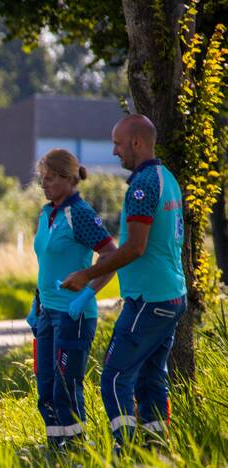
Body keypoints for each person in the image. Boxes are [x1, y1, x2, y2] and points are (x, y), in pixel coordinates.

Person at [61, 114, 187, 447]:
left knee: (115, 377)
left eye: (117, 144)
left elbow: (135, 247)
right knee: (150, 378)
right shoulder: (167, 178)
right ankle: (155, 448)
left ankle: (126, 450)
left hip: (149, 298)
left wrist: (87, 274)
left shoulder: (143, 186)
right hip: (171, 294)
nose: (114, 151)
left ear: (136, 142)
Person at [30, 150, 118, 448]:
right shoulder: (47, 213)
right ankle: (56, 448)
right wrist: (36, 303)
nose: (44, 184)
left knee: (65, 386)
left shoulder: (79, 213)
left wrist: (88, 293)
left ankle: (77, 448)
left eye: (50, 178)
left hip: (73, 314)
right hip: (46, 312)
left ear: (68, 179)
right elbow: (47, 264)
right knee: (45, 385)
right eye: (42, 179)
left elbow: (110, 255)